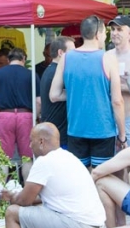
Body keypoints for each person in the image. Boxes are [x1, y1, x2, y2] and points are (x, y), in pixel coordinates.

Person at [1, 123, 105, 228]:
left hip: (79, 226)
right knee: (37, 208)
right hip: (96, 224)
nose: (29, 145)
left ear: (41, 142)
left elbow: (24, 201)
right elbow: (43, 199)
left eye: (31, 141)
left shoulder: (44, 162)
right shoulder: (69, 157)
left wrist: (11, 197)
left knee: (12, 213)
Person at [50, 15, 125, 167]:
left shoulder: (66, 58)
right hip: (103, 129)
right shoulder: (108, 59)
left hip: (76, 129)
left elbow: (54, 95)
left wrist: (77, 93)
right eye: (105, 33)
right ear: (98, 34)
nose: (105, 36)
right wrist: (122, 136)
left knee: (79, 180)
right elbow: (117, 101)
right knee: (102, 180)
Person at [0, 47, 35, 162]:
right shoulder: (31, 74)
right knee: (27, 157)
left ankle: (3, 180)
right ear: (24, 59)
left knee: (2, 157)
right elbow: (38, 100)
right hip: (26, 115)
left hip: (5, 115)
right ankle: (26, 180)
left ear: (8, 60)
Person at [39, 36, 73, 147]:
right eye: (72, 52)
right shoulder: (56, 73)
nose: (75, 56)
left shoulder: (50, 70)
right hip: (58, 135)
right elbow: (55, 96)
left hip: (54, 131)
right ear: (60, 53)